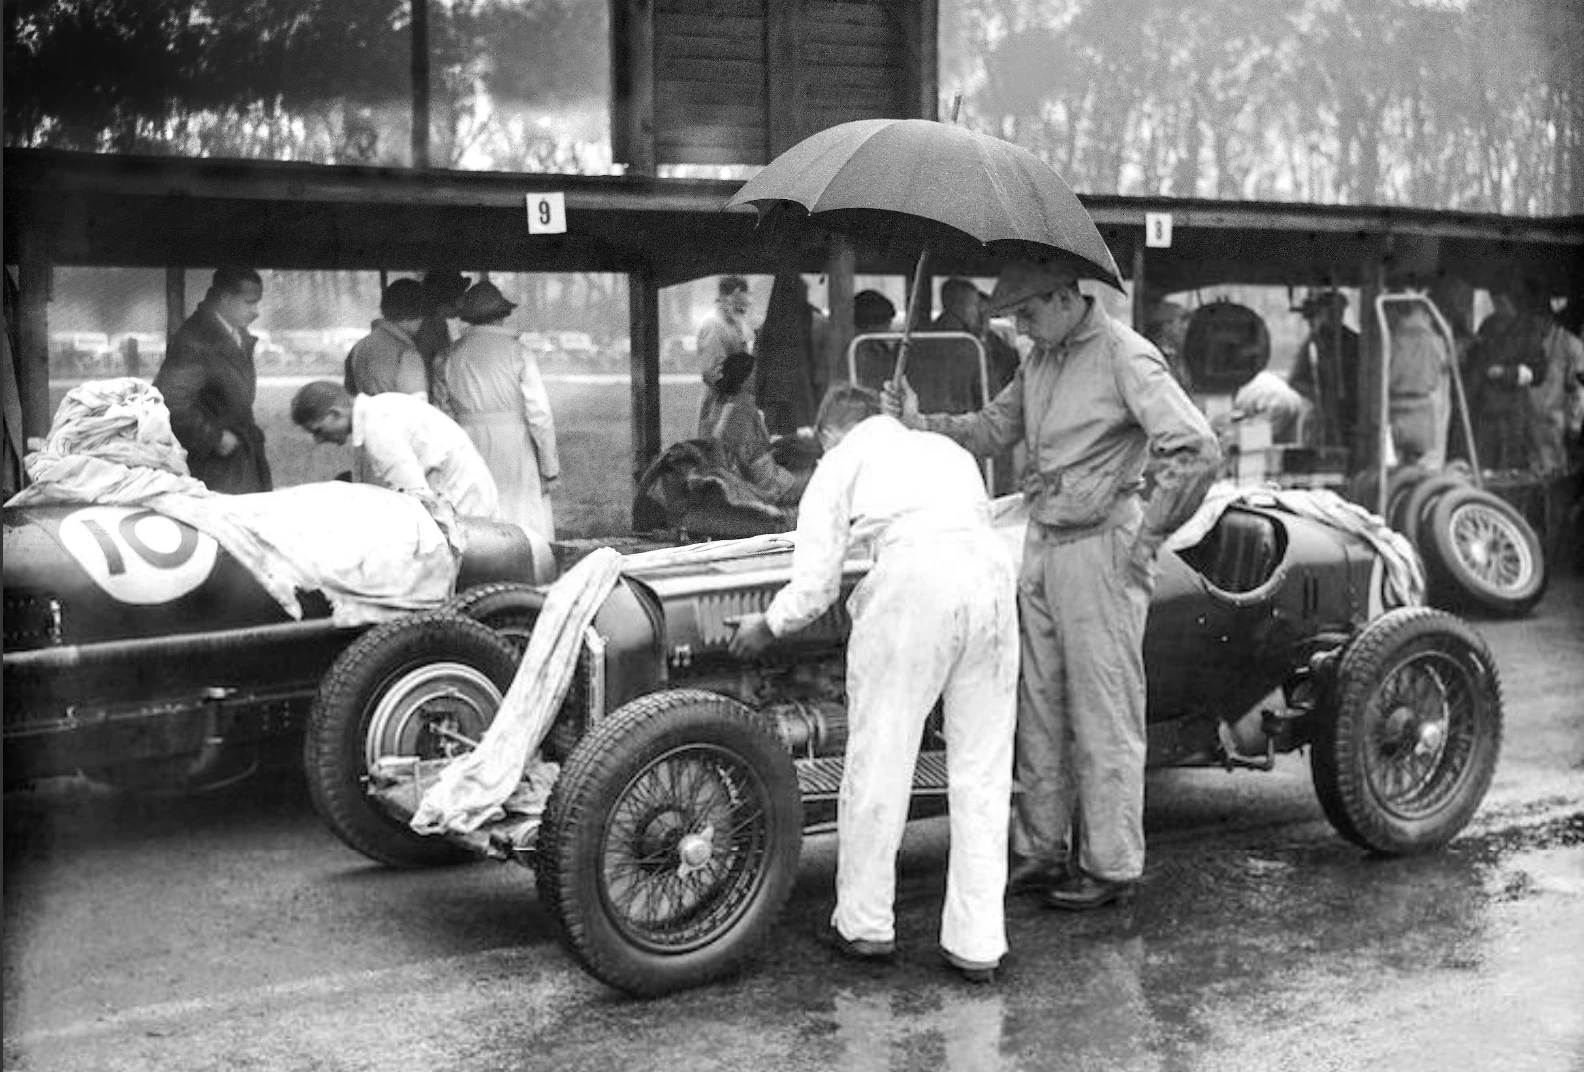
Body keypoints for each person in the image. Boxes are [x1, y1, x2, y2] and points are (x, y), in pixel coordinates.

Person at [883, 257, 1220, 910]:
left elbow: (1197, 448)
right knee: (1037, 708)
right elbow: (990, 429)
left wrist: (1148, 539)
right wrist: (919, 424)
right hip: (1040, 544)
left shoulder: (1127, 355)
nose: (1022, 329)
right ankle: (1039, 850)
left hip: (1101, 550)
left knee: (1103, 716)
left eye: (1029, 314)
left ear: (1067, 299)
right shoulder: (1040, 357)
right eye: (1015, 319)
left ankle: (1111, 864)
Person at [729, 384, 1019, 983]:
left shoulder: (840, 462)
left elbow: (815, 585)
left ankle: (864, 925)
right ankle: (978, 942)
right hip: (992, 582)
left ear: (829, 432)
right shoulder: (947, 453)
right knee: (983, 772)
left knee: (880, 761)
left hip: (915, 585)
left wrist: (769, 625)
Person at [442, 280, 559, 539]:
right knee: (519, 513)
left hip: (467, 443)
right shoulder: (518, 352)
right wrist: (549, 466)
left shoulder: (450, 355)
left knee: (476, 514)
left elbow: (442, 411)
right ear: (502, 316)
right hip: (513, 444)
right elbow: (540, 415)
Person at [290, 380, 498, 518]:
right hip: (465, 495)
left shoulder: (377, 429)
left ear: (335, 414)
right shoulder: (380, 407)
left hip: (465, 505)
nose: (318, 440)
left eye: (317, 430)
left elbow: (416, 499)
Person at [154, 266, 273, 494]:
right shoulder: (195, 341)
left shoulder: (235, 334)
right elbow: (169, 402)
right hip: (212, 466)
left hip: (239, 459)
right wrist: (214, 438)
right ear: (227, 299)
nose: (256, 311)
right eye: (250, 302)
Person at [701, 350, 809, 507]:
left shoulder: (727, 403)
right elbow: (729, 448)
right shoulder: (741, 406)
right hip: (766, 485)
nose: (759, 377)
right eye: (754, 372)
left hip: (765, 475)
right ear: (744, 378)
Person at [1467, 283, 1549, 473]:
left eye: (1502, 302)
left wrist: (1507, 373)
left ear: (1513, 301)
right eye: (1495, 302)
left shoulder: (1529, 330)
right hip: (1487, 408)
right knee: (1485, 463)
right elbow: (1477, 360)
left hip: (1513, 409)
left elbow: (1538, 372)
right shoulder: (1487, 325)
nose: (1498, 306)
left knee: (1512, 463)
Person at [754, 271, 828, 436]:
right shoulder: (817, 323)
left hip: (774, 401)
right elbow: (822, 370)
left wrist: (760, 398)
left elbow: (759, 364)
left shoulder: (769, 327)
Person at [1287, 290, 1360, 454]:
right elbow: (1295, 380)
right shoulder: (1314, 343)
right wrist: (1320, 398)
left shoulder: (1354, 341)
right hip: (1321, 417)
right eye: (1331, 311)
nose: (1336, 315)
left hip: (1350, 413)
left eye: (1339, 310)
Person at [1385, 298, 1453, 469]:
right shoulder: (1435, 340)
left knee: (1393, 466)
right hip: (1422, 409)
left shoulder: (1389, 339)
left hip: (1395, 408)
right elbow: (1443, 365)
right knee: (1422, 466)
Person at [344, 278, 428, 398]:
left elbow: (350, 395)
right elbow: (417, 406)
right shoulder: (407, 354)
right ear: (419, 314)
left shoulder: (358, 348)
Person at [696, 275, 756, 427]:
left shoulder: (736, 323)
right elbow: (713, 372)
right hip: (719, 407)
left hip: (737, 405)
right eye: (739, 305)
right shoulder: (713, 325)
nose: (743, 310)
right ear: (732, 296)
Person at [414, 269, 470, 405]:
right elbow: (437, 370)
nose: (464, 300)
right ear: (450, 298)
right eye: (462, 295)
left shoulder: (430, 323)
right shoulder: (433, 326)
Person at [1143, 300, 1192, 392]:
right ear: (1166, 325)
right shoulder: (1151, 356)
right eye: (1181, 321)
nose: (1185, 327)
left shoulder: (1179, 354)